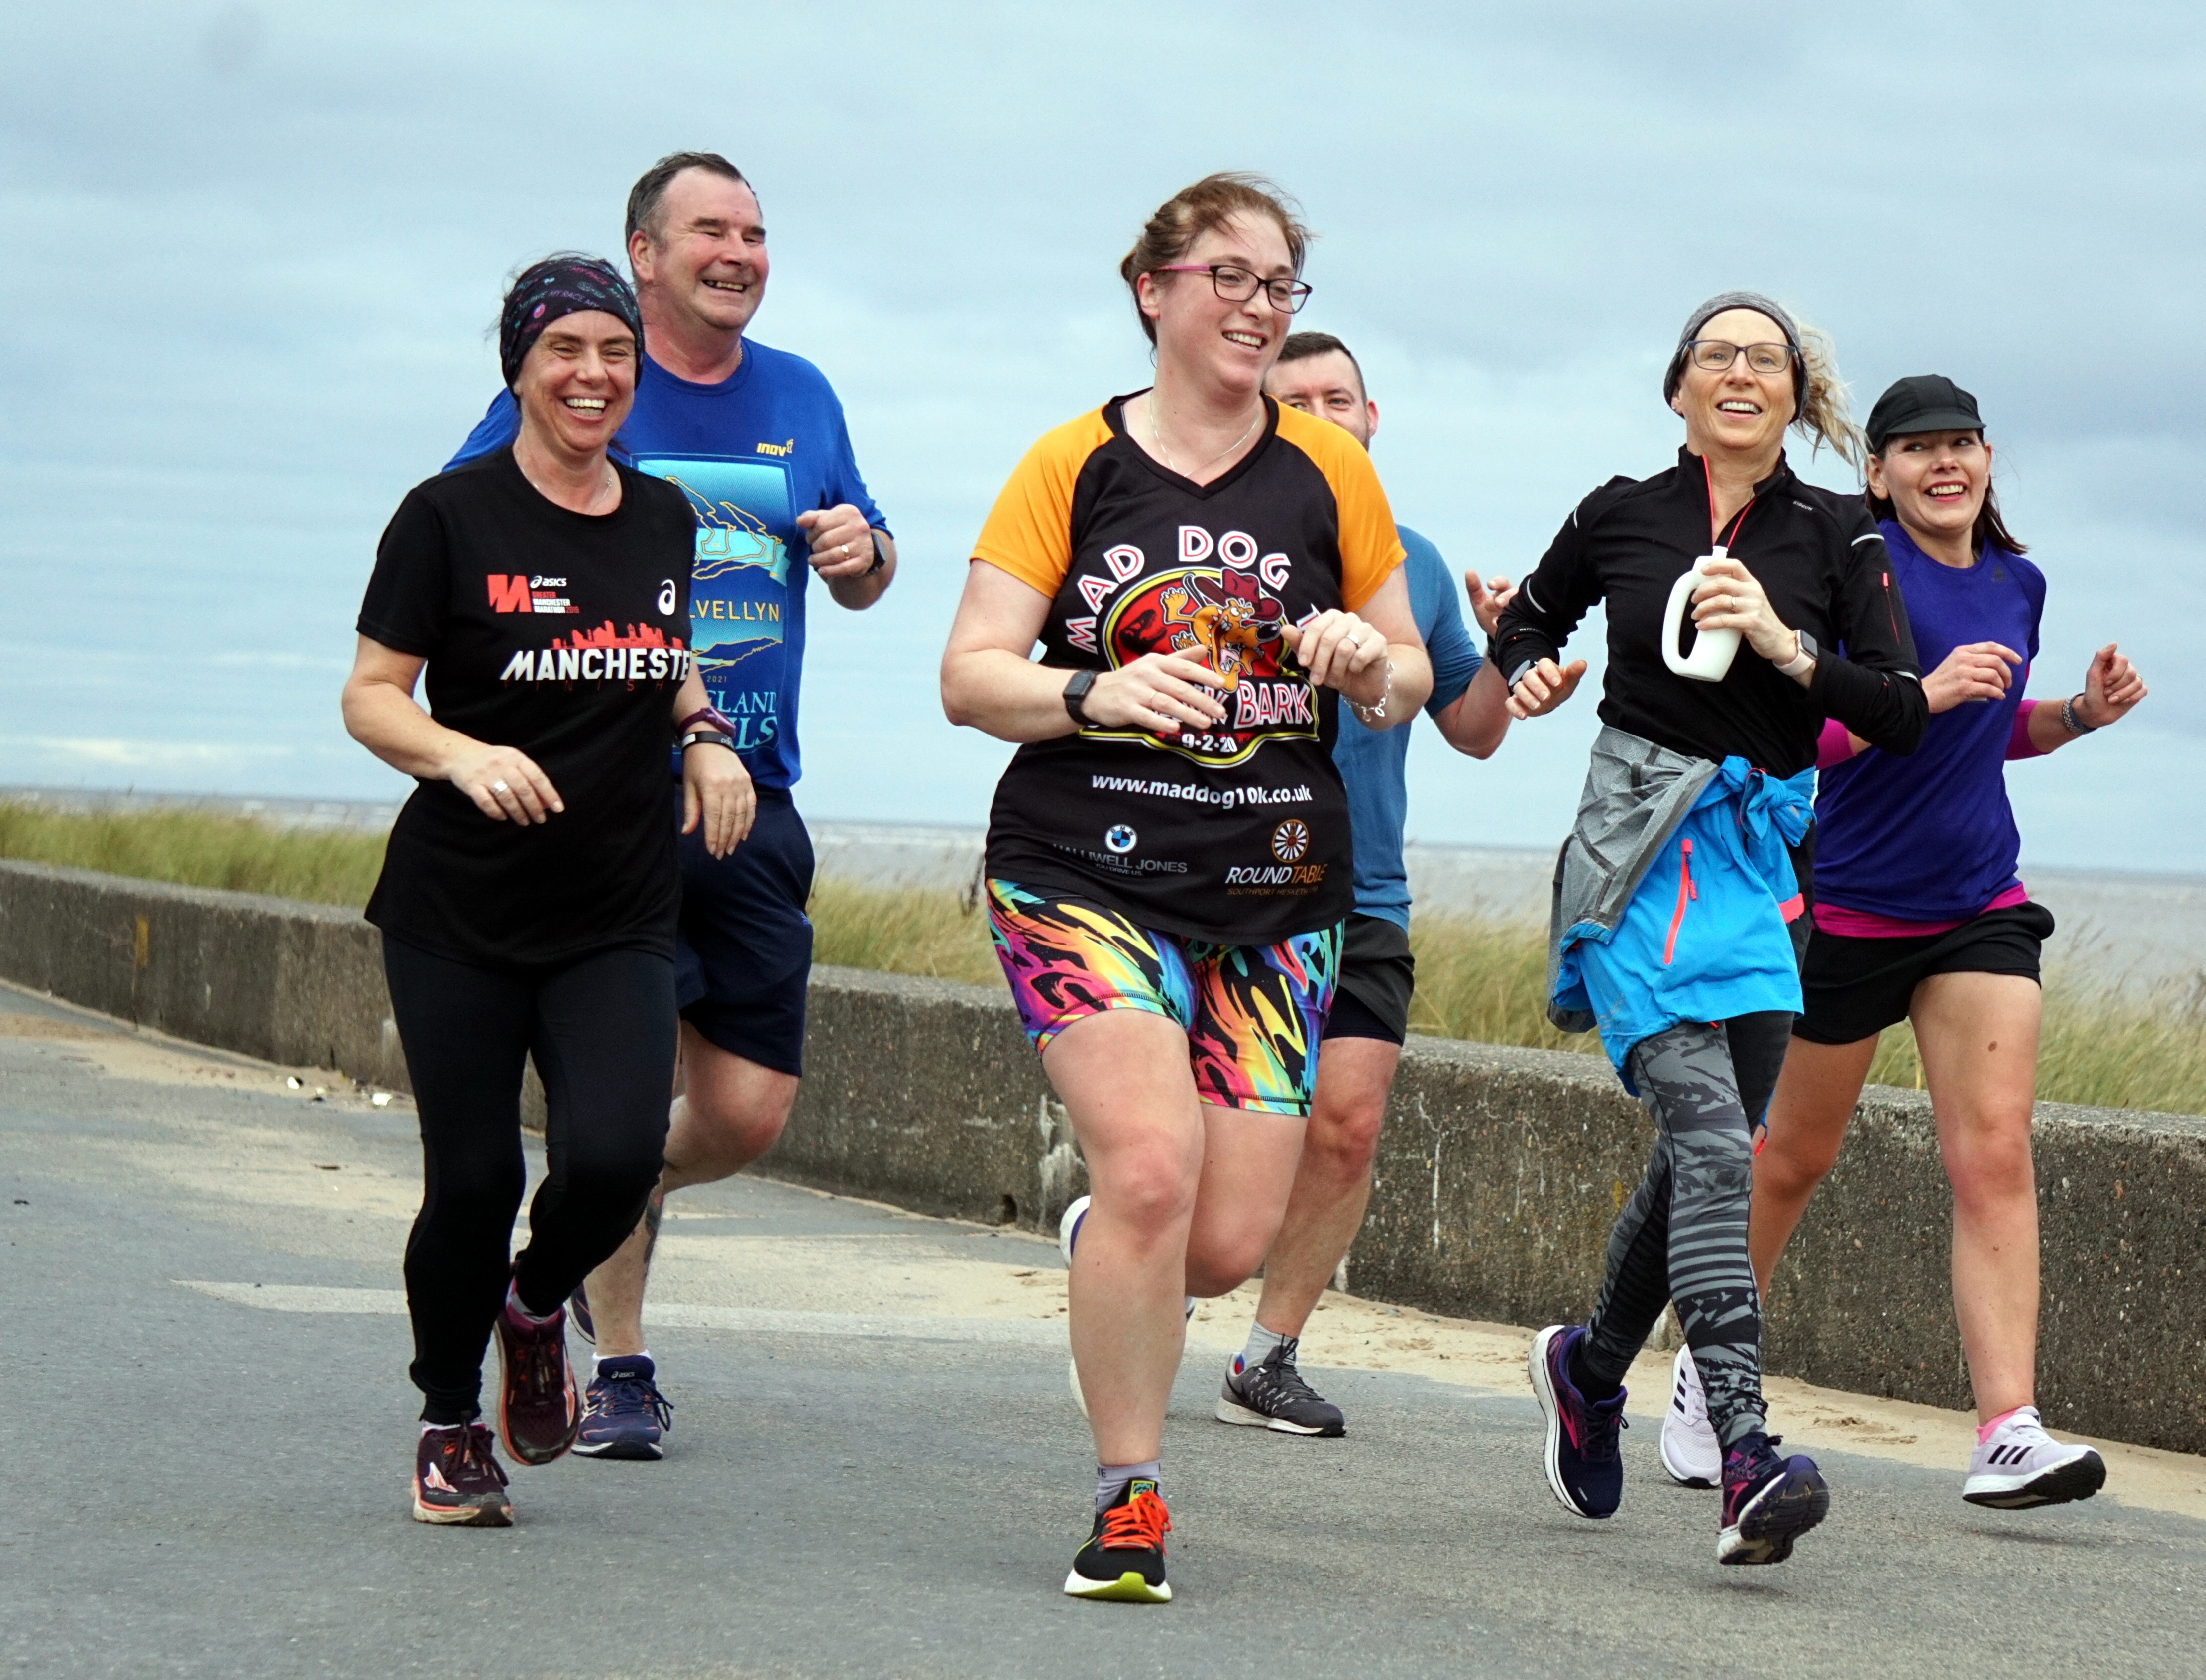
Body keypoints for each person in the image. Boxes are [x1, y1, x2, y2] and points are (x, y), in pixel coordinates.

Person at [939, 173, 1432, 1604]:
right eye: (1227, 274)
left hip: (1276, 886)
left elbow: (1406, 677)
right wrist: (1097, 688)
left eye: (1279, 285)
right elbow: (971, 676)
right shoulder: (1070, 465)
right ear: (1151, 287)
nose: (1255, 305)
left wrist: (1359, 663)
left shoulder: (1329, 474)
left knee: (1216, 1239)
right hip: (1080, 870)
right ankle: (1128, 1497)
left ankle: (1117, 1245)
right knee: (1155, 1167)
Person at [446, 152, 896, 1459]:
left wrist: (865, 556)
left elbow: (868, 563)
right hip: (601, 811)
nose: (741, 252)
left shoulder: (801, 396)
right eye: (712, 230)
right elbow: (470, 529)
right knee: (619, 1094)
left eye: (757, 232)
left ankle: (585, 1223)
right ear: (643, 253)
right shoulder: (586, 382)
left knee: (748, 1113)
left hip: (753, 802)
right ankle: (621, 1363)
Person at [1491, 292, 1927, 1565]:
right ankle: (1745, 1446)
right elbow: (1529, 619)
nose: (1741, 372)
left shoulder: (1842, 533)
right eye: (1716, 355)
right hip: (1634, 852)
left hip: (1758, 869)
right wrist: (1526, 668)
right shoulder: (1622, 509)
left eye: (1768, 358)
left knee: (1705, 1154)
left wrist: (1791, 650)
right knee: (1713, 1140)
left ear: (1797, 395)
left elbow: (1898, 709)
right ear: (1679, 386)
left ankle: (1588, 1366)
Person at [1674, 373, 2145, 1509]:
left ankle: (2008, 1428)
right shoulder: (1852, 569)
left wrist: (2076, 715)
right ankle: (1707, 1373)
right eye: (1917, 449)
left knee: (1993, 1151)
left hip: (1979, 897)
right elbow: (1806, 729)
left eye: (1964, 445)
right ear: (1877, 471)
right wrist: (1917, 696)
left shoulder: (2019, 582)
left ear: (1988, 460)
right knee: (1792, 1157)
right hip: (1849, 903)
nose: (1947, 465)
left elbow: (1991, 734)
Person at [343, 255, 757, 1526]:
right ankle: (447, 1415)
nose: (593, 374)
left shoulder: (664, 516)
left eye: (615, 352)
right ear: (520, 364)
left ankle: (535, 1308)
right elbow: (371, 696)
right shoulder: (446, 516)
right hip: (459, 912)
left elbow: (661, 654)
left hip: (617, 905)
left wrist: (705, 733)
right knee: (468, 1179)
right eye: (565, 349)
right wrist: (462, 754)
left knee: (617, 1155)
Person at [1211, 330, 1561, 1436]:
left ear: (1373, 417)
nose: (1320, 412)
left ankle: (1267, 1355)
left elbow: (1472, 731)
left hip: (1363, 890)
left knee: (1348, 1126)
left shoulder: (1408, 556)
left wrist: (1507, 653)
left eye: (1338, 397)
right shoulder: (1217, 544)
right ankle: (1135, 1254)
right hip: (1220, 885)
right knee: (1212, 1135)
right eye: (1295, 397)